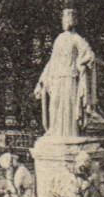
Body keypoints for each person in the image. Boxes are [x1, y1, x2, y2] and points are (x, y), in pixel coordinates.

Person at [34, 8, 98, 140]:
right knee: (54, 106)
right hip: (56, 79)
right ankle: (55, 131)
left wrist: (80, 63)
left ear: (71, 20)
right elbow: (52, 62)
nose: (63, 21)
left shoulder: (77, 39)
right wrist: (41, 81)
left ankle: (69, 134)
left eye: (65, 18)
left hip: (70, 78)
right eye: (63, 18)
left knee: (68, 107)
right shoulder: (59, 39)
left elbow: (90, 55)